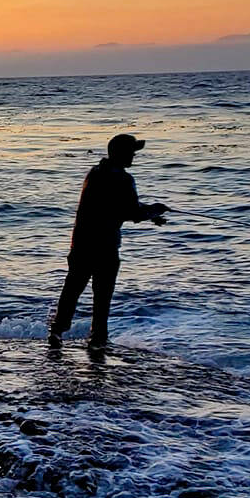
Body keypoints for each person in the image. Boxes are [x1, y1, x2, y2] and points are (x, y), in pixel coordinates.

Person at [49, 132, 168, 348]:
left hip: (81, 243)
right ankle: (98, 338)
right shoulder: (123, 178)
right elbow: (131, 211)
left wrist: (150, 213)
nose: (134, 156)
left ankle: (57, 331)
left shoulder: (94, 173)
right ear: (121, 153)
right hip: (105, 246)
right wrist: (154, 211)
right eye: (132, 152)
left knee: (72, 289)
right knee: (102, 296)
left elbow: (117, 207)